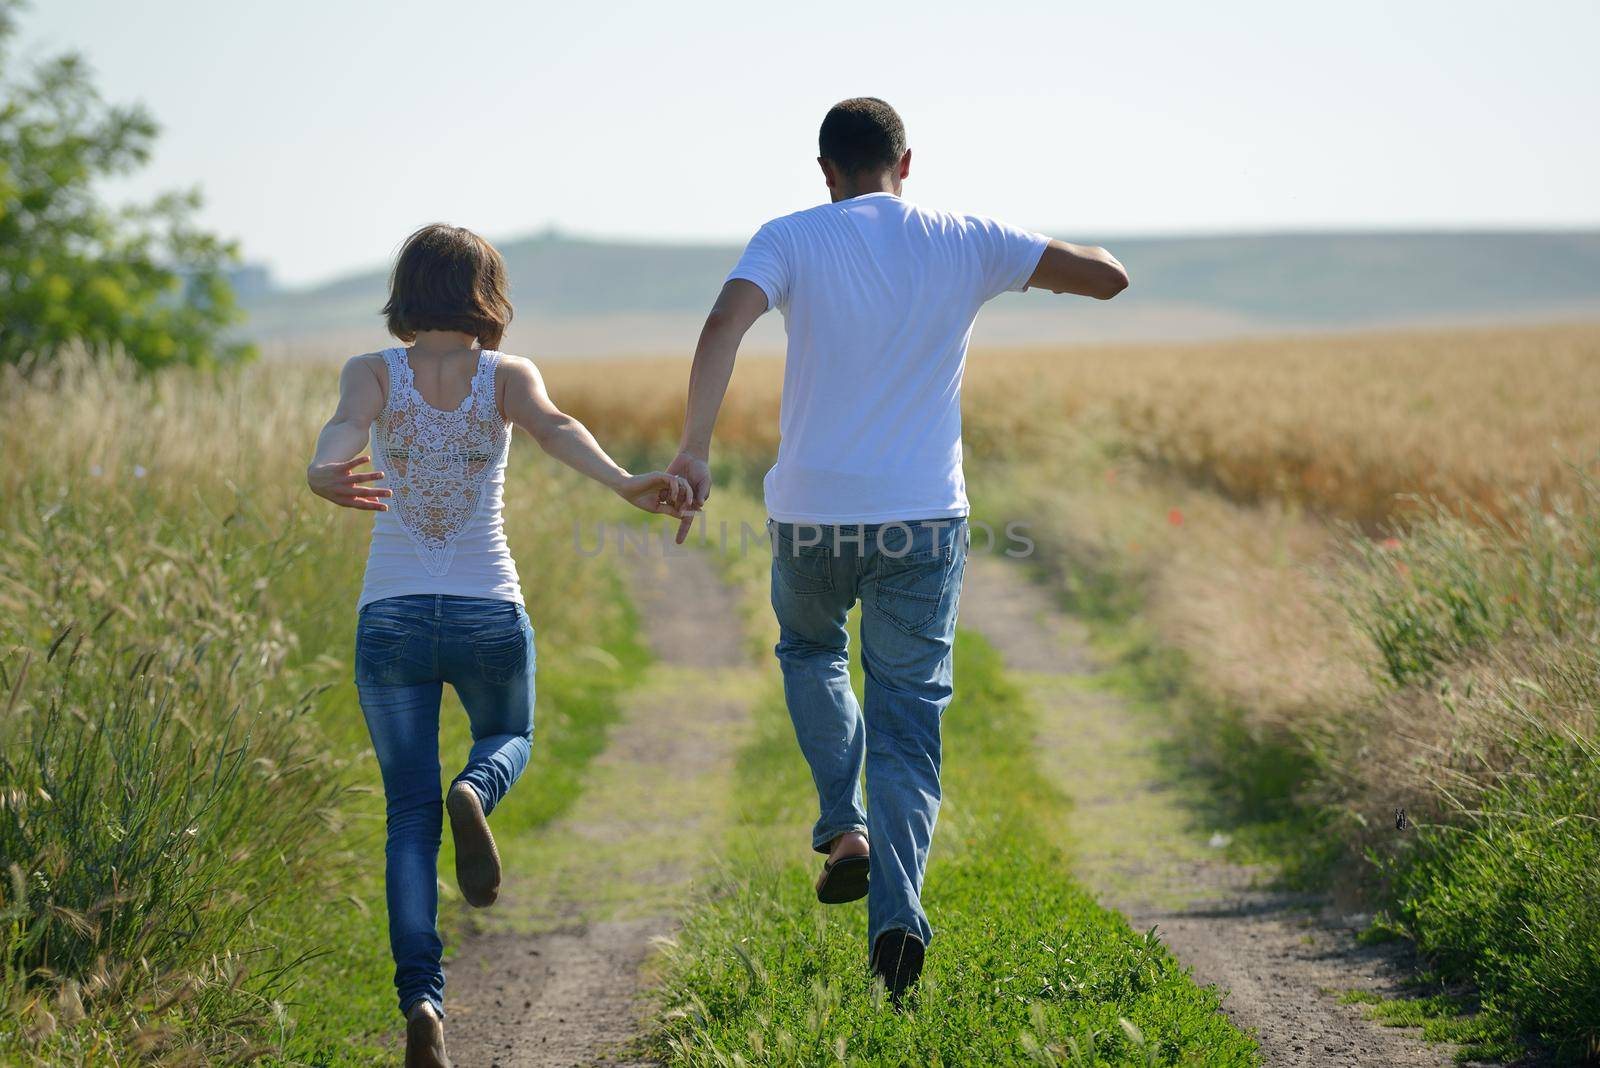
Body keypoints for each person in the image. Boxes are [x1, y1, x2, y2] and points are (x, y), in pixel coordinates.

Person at [668, 97, 1127, 1003]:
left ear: (826, 172)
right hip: (923, 518)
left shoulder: (792, 236)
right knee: (911, 713)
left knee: (808, 651)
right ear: (906, 163)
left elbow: (726, 319)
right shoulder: (964, 237)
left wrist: (694, 449)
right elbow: (1108, 278)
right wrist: (1029, 263)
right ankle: (898, 909)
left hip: (809, 515)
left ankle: (845, 826)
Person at [306, 223, 690, 1067]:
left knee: (406, 818)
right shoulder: (505, 376)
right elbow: (557, 429)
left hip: (393, 614)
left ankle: (423, 1004)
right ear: (487, 292)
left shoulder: (371, 373)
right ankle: (477, 789)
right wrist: (628, 482)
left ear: (406, 291)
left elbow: (341, 434)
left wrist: (320, 471)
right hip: (486, 604)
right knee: (510, 735)